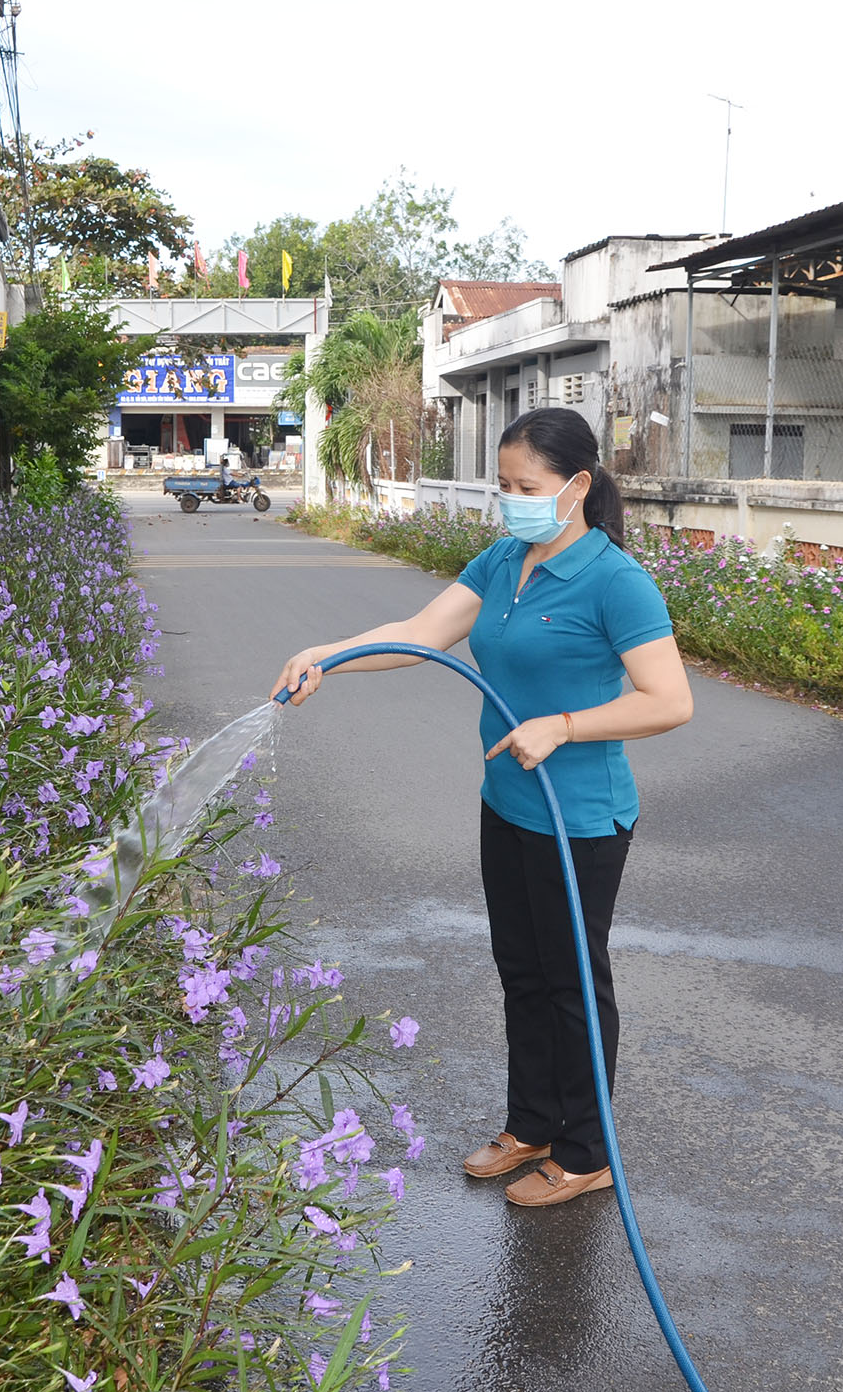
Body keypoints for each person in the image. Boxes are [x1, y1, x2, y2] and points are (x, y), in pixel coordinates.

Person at [272, 407, 693, 1207]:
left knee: (572, 982)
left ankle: (585, 1149)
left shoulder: (615, 581)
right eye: (502, 486)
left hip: (580, 815)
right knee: (522, 972)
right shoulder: (503, 561)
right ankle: (530, 1124)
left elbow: (669, 701)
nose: (510, 501)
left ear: (575, 486)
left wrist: (564, 725)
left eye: (524, 487)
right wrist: (330, 654)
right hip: (507, 802)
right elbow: (422, 633)